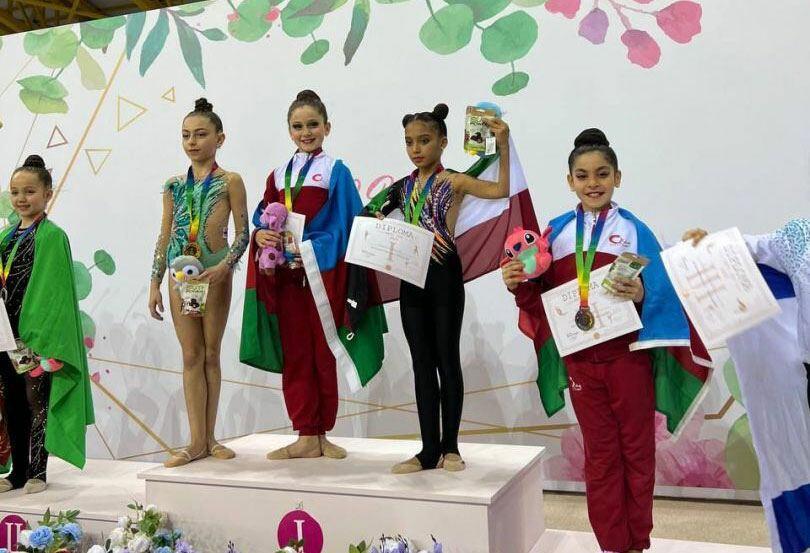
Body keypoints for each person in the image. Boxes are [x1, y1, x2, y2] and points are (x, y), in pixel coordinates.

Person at [502, 129, 711, 553]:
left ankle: (637, 542)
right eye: (582, 176)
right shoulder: (555, 233)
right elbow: (540, 297)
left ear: (618, 176)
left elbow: (663, 296)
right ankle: (613, 545)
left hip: (628, 360)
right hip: (581, 363)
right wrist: (516, 284)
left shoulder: (635, 231)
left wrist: (642, 293)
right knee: (600, 458)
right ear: (570, 181)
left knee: (637, 453)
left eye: (602, 174)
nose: (592, 183)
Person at [240, 89, 386, 461]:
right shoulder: (277, 175)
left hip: (323, 276)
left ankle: (323, 434)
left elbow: (348, 225)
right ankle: (305, 433)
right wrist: (261, 236)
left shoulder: (336, 171)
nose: (305, 132)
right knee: (296, 354)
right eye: (298, 126)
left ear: (327, 127)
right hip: (288, 279)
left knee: (324, 352)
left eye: (312, 125)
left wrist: (310, 249)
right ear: (289, 130)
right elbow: (264, 217)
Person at [369, 103, 512, 474]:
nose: (416, 149)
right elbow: (367, 214)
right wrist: (380, 221)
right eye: (409, 142)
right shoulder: (401, 188)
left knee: (447, 360)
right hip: (411, 280)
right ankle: (427, 450)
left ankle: (451, 448)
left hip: (444, 276)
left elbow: (501, 190)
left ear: (443, 142)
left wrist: (503, 144)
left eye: (424, 140)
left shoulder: (454, 181)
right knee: (421, 364)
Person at [683, 220, 810, 553]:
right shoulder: (800, 235)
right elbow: (747, 247)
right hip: (798, 370)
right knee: (792, 460)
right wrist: (708, 245)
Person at [149, 98, 249, 467]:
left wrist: (224, 267)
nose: (192, 141)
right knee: (191, 355)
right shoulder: (174, 186)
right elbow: (164, 235)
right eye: (186, 135)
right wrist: (154, 282)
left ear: (220, 139)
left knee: (210, 354)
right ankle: (194, 442)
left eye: (201, 134)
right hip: (181, 277)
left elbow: (243, 234)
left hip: (214, 274)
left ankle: (210, 439)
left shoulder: (230, 181)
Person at [0, 154, 94, 493]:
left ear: (47, 194)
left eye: (30, 192)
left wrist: (40, 336)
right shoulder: (5, 237)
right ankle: (17, 473)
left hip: (35, 337)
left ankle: (38, 472)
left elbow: (55, 294)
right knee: (12, 402)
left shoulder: (53, 236)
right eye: (15, 192)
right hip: (6, 334)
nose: (21, 199)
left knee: (36, 402)